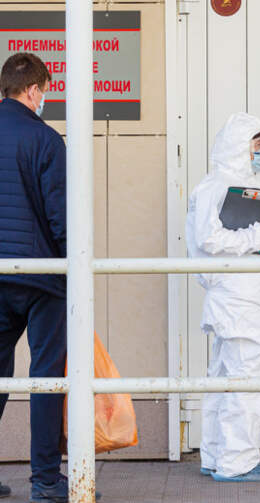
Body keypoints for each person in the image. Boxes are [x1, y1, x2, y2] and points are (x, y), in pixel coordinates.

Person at [0, 53, 101, 502]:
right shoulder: (45, 139)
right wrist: (72, 270)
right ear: (33, 90)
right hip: (42, 276)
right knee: (46, 376)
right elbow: (62, 216)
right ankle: (44, 480)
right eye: (44, 90)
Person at [186, 112, 260, 482]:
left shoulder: (241, 187)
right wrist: (257, 235)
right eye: (257, 144)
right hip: (239, 301)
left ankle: (217, 456)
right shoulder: (216, 187)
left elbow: (258, 255)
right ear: (238, 147)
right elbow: (209, 240)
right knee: (247, 379)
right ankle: (237, 462)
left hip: (248, 298)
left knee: (227, 378)